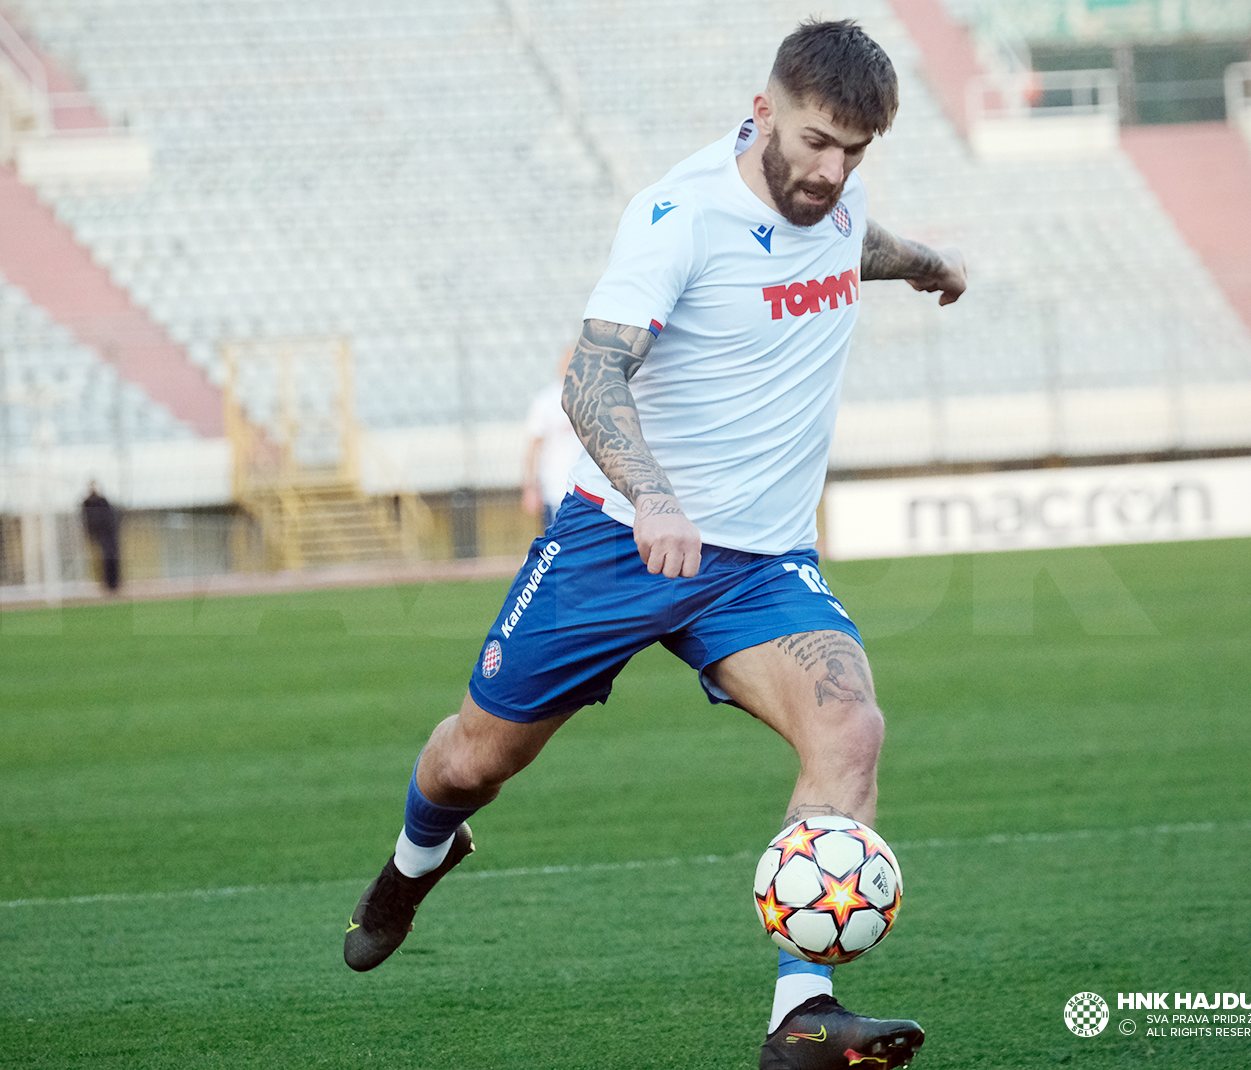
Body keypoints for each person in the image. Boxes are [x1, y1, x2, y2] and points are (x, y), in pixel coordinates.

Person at [345, 19, 966, 1069]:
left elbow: (847, 240)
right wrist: (655, 497)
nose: (833, 169)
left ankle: (801, 1013)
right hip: (619, 538)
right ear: (762, 109)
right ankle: (416, 859)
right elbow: (591, 376)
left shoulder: (836, 191)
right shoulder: (677, 218)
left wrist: (922, 262)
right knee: (470, 758)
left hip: (761, 566)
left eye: (856, 151)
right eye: (817, 142)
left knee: (850, 727)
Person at [520, 345, 586, 530]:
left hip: (590, 491)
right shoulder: (546, 401)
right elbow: (533, 446)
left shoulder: (594, 399)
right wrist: (531, 487)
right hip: (556, 490)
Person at [80, 481, 121, 593]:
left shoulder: (103, 501)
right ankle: (108, 583)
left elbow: (112, 516)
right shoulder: (87, 503)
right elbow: (86, 520)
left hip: (109, 533)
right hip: (99, 534)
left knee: (112, 557)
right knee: (105, 558)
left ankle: (114, 583)